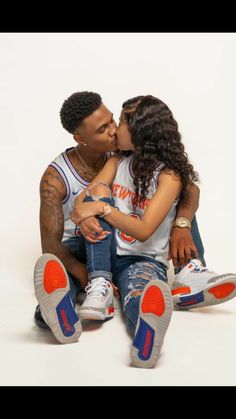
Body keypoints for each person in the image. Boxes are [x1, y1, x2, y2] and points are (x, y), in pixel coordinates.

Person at [33, 91, 236, 346]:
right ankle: (56, 311)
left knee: (165, 213)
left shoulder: (123, 155)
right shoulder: (57, 177)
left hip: (130, 246)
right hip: (87, 247)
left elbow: (189, 189)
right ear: (80, 138)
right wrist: (84, 227)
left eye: (113, 121)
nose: (113, 130)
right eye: (102, 129)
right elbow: (52, 246)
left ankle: (189, 273)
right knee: (64, 273)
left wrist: (181, 224)